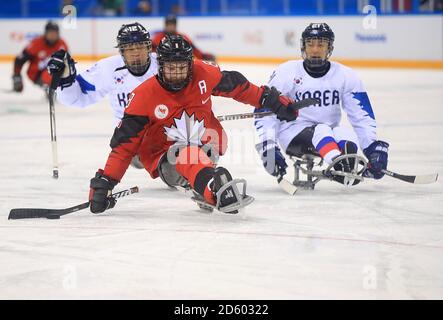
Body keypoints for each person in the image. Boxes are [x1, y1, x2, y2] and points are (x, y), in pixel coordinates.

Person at [88, 34, 301, 215]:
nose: (177, 74)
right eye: (171, 68)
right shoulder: (143, 97)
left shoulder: (203, 73)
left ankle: (209, 180)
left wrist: (270, 100)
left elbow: (238, 87)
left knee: (202, 148)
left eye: (182, 67)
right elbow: (123, 146)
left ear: (190, 64)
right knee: (184, 153)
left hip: (208, 145)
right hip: (165, 158)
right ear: (159, 66)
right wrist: (105, 182)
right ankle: (213, 189)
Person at [254, 23, 389, 186]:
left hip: (327, 136)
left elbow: (361, 116)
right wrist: (268, 145)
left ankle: (346, 166)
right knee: (323, 129)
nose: (315, 50)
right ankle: (337, 163)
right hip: (292, 134)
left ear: (329, 47)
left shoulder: (346, 75)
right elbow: (265, 108)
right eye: (310, 44)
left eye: (321, 44)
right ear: (303, 46)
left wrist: (372, 148)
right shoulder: (286, 72)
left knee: (344, 133)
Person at [47, 22, 157, 168]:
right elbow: (77, 98)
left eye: (140, 46)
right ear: (122, 51)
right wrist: (65, 80)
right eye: (130, 48)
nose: (136, 52)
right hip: (132, 137)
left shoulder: (163, 64)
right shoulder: (108, 69)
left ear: (148, 47)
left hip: (165, 129)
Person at [12, 21, 69, 93]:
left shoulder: (62, 44)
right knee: (50, 72)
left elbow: (67, 63)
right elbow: (20, 59)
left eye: (55, 33)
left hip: (53, 72)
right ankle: (51, 88)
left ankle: (53, 88)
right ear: (45, 33)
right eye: (50, 33)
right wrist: (17, 77)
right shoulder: (37, 43)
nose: (53, 35)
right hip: (36, 74)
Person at [151, 15, 216, 62]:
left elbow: (194, 49)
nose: (170, 27)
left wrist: (203, 56)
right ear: (165, 25)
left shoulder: (183, 37)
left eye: (172, 25)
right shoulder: (157, 38)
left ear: (175, 25)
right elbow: (151, 52)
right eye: (168, 25)